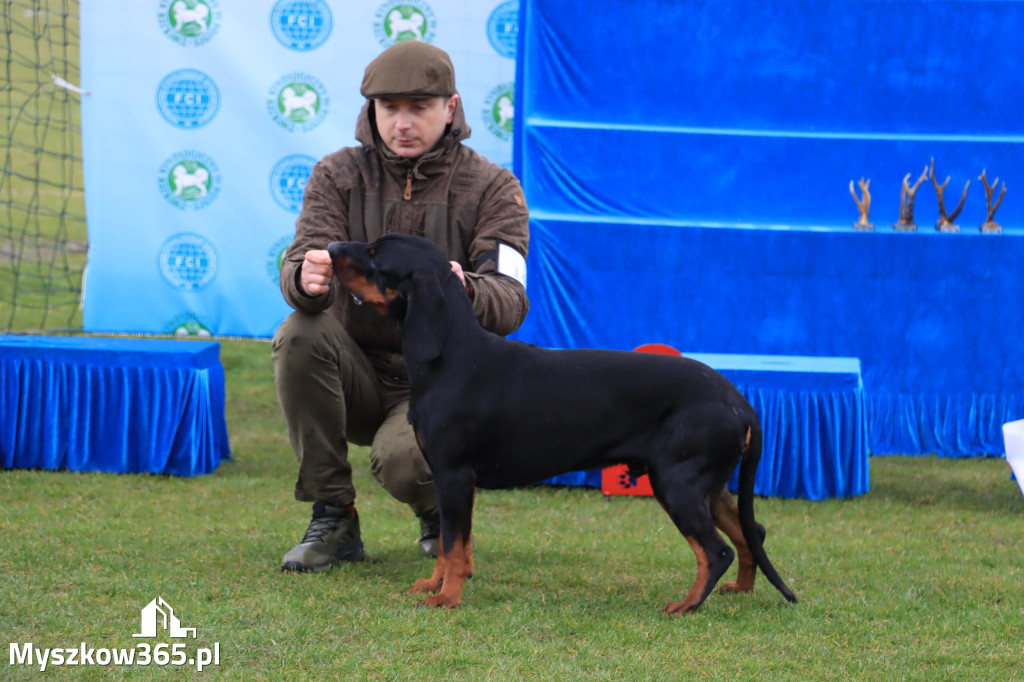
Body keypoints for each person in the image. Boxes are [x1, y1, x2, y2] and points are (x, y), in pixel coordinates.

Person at [272, 40, 530, 572]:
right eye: (389, 108)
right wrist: (307, 278)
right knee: (299, 331)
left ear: (451, 108)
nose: (402, 123)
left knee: (404, 463)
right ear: (371, 110)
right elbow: (299, 266)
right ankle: (334, 516)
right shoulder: (336, 175)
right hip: (357, 374)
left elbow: (512, 299)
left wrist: (471, 289)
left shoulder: (494, 187)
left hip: (442, 386)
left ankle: (442, 512)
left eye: (420, 108)